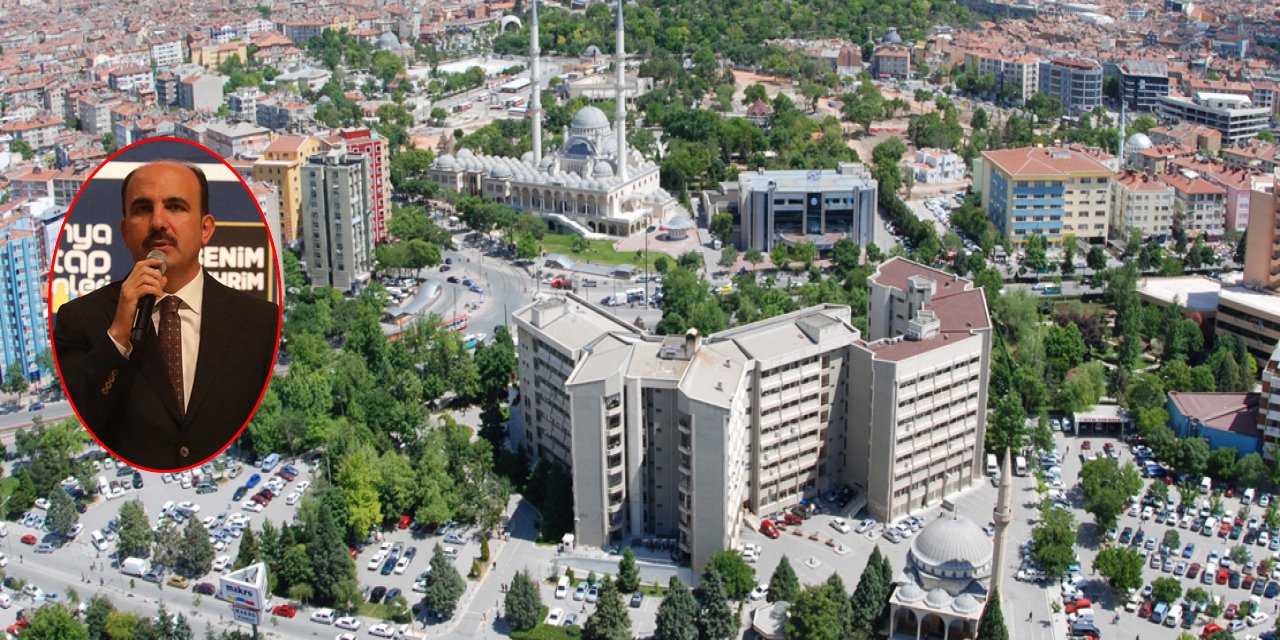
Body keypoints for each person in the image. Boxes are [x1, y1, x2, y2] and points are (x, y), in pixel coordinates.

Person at [53, 160, 279, 471]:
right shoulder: (80, 319)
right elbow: (85, 415)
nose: (158, 222)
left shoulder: (258, 322)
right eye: (143, 209)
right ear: (125, 232)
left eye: (175, 207)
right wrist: (118, 333)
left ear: (205, 229)